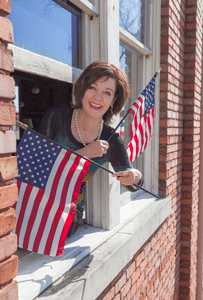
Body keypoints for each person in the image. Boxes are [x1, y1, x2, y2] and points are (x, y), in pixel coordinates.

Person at [40, 61, 143, 236]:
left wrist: (135, 177)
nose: (98, 97)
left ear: (113, 100)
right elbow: (38, 168)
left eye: (107, 93)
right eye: (92, 88)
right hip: (38, 198)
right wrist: (83, 153)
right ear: (83, 90)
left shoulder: (112, 140)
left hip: (69, 212)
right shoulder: (56, 117)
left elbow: (132, 184)